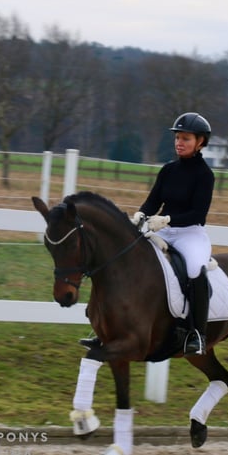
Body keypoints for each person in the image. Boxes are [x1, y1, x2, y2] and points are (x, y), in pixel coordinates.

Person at [81, 112, 215, 356]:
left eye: (185, 138)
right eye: (177, 137)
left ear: (200, 142)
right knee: (130, 260)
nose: (179, 142)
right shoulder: (168, 170)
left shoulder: (205, 175)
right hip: (162, 229)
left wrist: (168, 219)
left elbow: (198, 213)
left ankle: (197, 334)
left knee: (195, 268)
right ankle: (105, 327)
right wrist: (141, 215)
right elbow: (153, 201)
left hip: (190, 234)